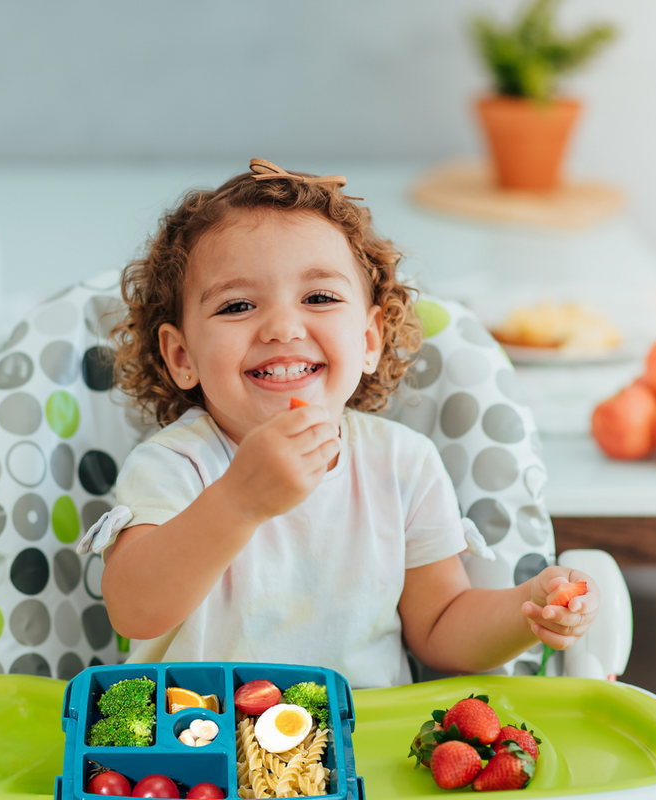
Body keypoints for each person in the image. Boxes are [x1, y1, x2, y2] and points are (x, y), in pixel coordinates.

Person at [77, 158, 599, 689]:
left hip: (359, 749)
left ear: (370, 340)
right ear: (181, 354)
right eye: (237, 305)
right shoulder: (173, 465)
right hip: (197, 746)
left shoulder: (403, 464)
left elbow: (441, 626)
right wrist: (239, 500)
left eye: (319, 298)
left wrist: (525, 611)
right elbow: (134, 610)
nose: (282, 327)